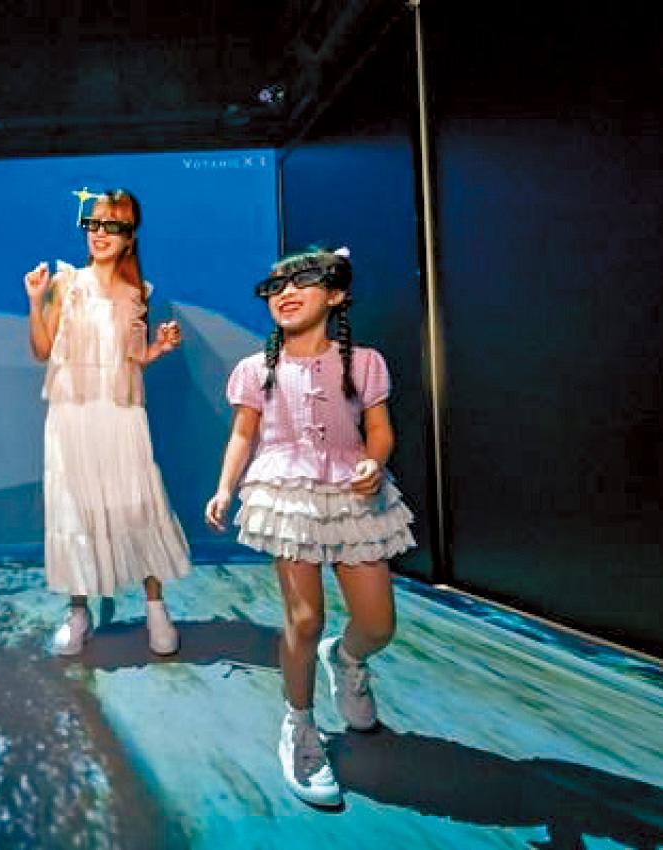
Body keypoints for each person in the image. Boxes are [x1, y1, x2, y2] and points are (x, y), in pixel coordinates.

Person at [205, 246, 415, 808]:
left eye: (303, 280)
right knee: (304, 618)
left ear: (337, 295)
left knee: (378, 624)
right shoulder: (255, 370)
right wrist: (225, 487)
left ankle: (344, 658)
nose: (286, 292)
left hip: (352, 494)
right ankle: (299, 725)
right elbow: (243, 435)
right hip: (287, 494)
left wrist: (374, 461)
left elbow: (379, 430)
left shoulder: (364, 363)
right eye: (276, 286)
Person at [25, 188, 191, 657]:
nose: (101, 234)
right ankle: (78, 614)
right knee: (74, 508)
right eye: (94, 224)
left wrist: (160, 347)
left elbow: (132, 358)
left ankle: (156, 609)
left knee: (138, 504)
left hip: (121, 413)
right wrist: (35, 301)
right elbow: (41, 350)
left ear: (130, 237)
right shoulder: (65, 283)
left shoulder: (138, 293)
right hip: (71, 414)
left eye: (114, 226)